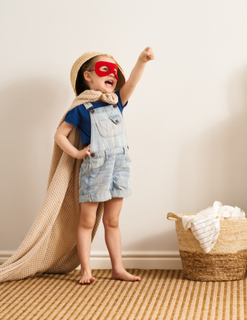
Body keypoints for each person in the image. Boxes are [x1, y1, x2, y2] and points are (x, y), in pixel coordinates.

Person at [54, 48, 155, 284]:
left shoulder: (117, 101)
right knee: (87, 221)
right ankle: (86, 270)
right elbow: (60, 135)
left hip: (119, 167)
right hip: (95, 168)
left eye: (114, 71)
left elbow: (132, 83)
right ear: (88, 76)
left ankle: (117, 268)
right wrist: (78, 153)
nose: (111, 74)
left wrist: (141, 61)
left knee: (113, 221)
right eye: (104, 69)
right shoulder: (80, 107)